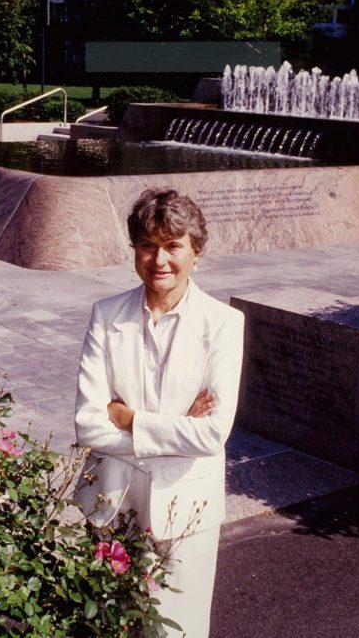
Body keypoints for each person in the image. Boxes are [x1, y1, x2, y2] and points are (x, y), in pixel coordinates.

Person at [74, 188, 245, 637]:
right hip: (115, 501)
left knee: (178, 630)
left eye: (173, 246)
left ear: (196, 252)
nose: (159, 259)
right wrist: (178, 427)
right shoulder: (106, 314)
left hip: (187, 506)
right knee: (113, 625)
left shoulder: (224, 324)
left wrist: (129, 419)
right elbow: (89, 424)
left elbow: (211, 436)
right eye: (148, 245)